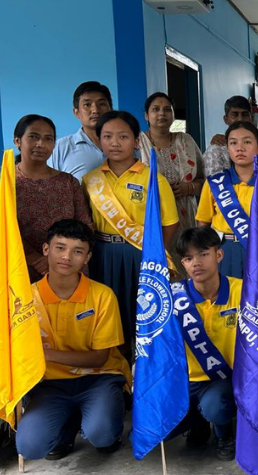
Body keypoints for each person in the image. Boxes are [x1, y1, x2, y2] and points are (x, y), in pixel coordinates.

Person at [15, 220, 128, 460]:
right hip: (50, 384)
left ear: (87, 258)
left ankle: (104, 421)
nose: (67, 257)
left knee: (102, 436)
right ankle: (68, 424)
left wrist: (43, 354)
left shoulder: (102, 296)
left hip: (98, 378)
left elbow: (100, 357)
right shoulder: (26, 299)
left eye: (77, 251)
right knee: (30, 446)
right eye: (60, 248)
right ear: (46, 250)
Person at [82, 110, 178, 338]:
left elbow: (170, 223)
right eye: (107, 136)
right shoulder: (90, 180)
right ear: (99, 140)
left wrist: (153, 255)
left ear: (136, 141)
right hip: (102, 254)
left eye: (123, 137)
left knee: (142, 316)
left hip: (141, 255)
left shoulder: (153, 178)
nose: (114, 143)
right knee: (107, 315)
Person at [170, 226, 243, 461]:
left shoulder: (243, 291)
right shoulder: (173, 298)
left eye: (203, 254)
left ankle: (223, 434)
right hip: (186, 380)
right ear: (183, 263)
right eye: (189, 258)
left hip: (224, 379)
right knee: (157, 431)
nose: (196, 263)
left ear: (219, 255)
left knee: (215, 405)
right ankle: (198, 422)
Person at [195, 121, 258, 279]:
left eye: (247, 142)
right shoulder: (215, 183)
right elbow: (203, 224)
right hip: (224, 250)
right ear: (227, 148)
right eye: (233, 143)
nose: (240, 148)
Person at [13, 114, 93, 282]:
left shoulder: (68, 182)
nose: (41, 144)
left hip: (68, 268)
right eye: (33, 137)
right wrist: (37, 260)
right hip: (22, 269)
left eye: (48, 138)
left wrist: (62, 258)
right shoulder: (7, 184)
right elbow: (5, 229)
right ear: (18, 141)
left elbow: (84, 225)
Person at [138, 92, 204, 234]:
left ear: (173, 115)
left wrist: (189, 188)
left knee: (187, 254)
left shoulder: (186, 140)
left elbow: (206, 182)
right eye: (156, 109)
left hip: (186, 216)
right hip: (153, 215)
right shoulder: (138, 143)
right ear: (146, 116)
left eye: (167, 109)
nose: (162, 113)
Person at [49, 81, 113, 179]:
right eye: (87, 105)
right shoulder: (60, 147)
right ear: (76, 112)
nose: (95, 110)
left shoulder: (126, 143)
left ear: (110, 109)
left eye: (101, 104)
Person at [202, 95, 254, 176]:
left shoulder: (257, 147)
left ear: (251, 119)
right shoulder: (216, 150)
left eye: (244, 114)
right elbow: (215, 186)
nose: (240, 119)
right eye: (235, 114)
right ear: (226, 119)